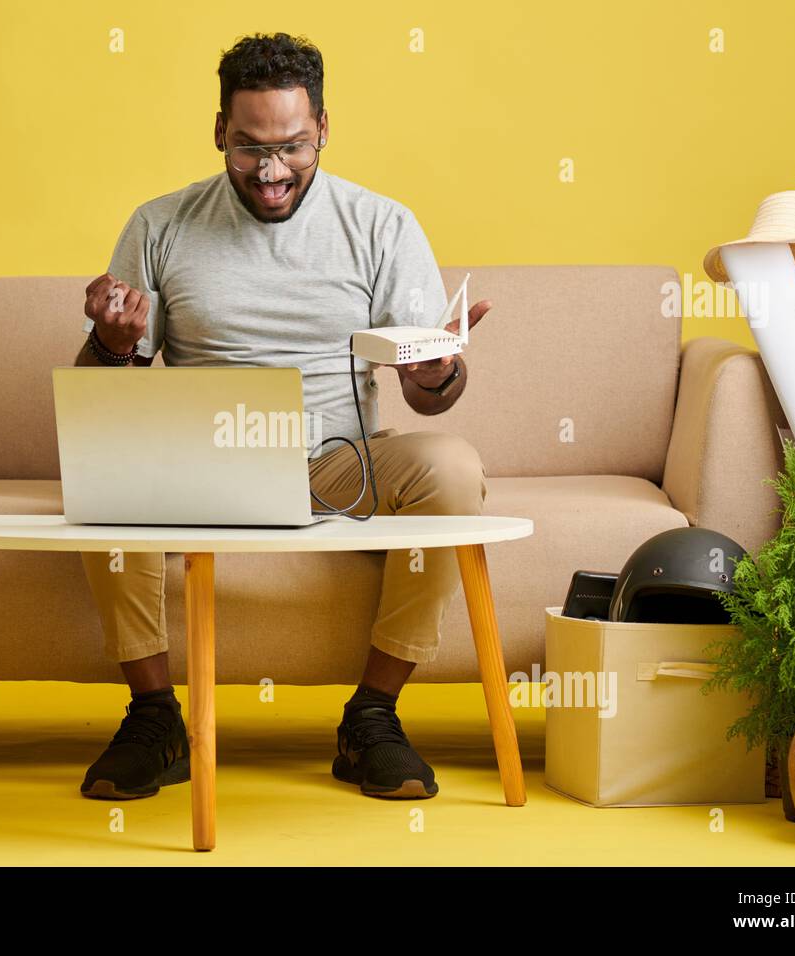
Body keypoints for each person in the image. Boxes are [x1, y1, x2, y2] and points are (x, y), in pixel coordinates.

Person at [76, 32, 490, 801]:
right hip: (204, 462)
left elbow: (429, 393)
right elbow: (105, 400)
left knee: (454, 468)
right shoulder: (161, 224)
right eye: (249, 148)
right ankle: (155, 717)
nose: (271, 173)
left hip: (339, 459)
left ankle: (372, 718)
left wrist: (439, 372)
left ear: (324, 129)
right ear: (220, 134)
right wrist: (110, 342)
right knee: (111, 473)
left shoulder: (382, 225)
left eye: (293, 148)